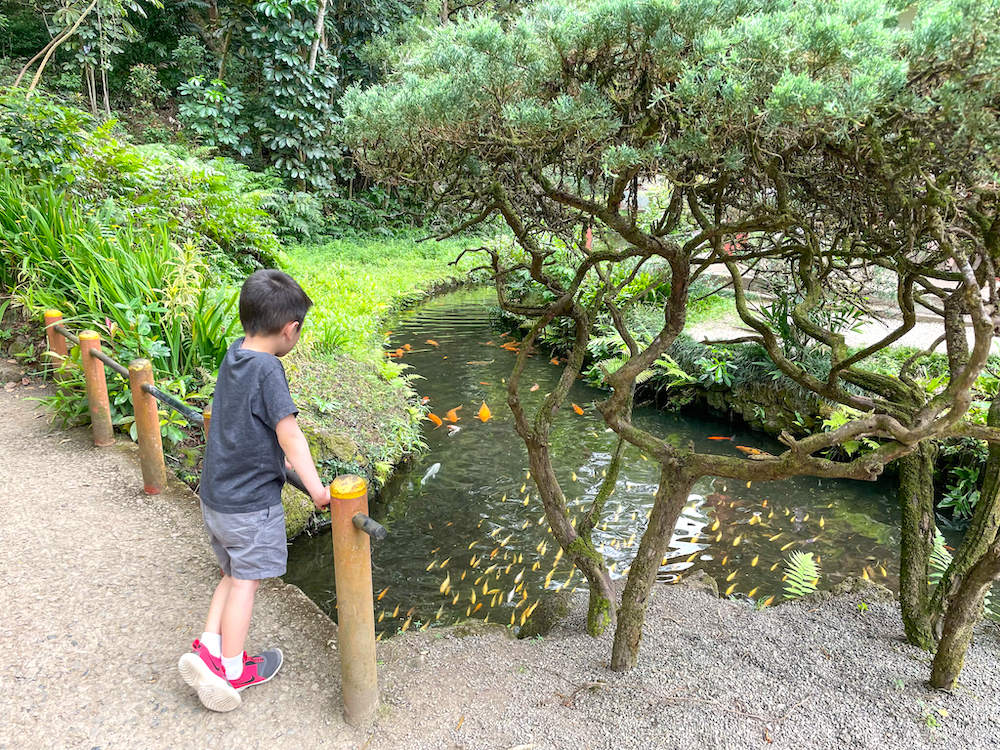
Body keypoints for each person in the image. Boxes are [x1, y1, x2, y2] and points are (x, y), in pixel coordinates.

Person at [178, 269, 330, 712]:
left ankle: (207, 646)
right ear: (291, 329)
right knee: (246, 580)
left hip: (216, 496)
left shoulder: (235, 354)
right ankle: (231, 668)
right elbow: (290, 435)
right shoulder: (268, 369)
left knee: (230, 571)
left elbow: (244, 422)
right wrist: (317, 488)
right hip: (249, 505)